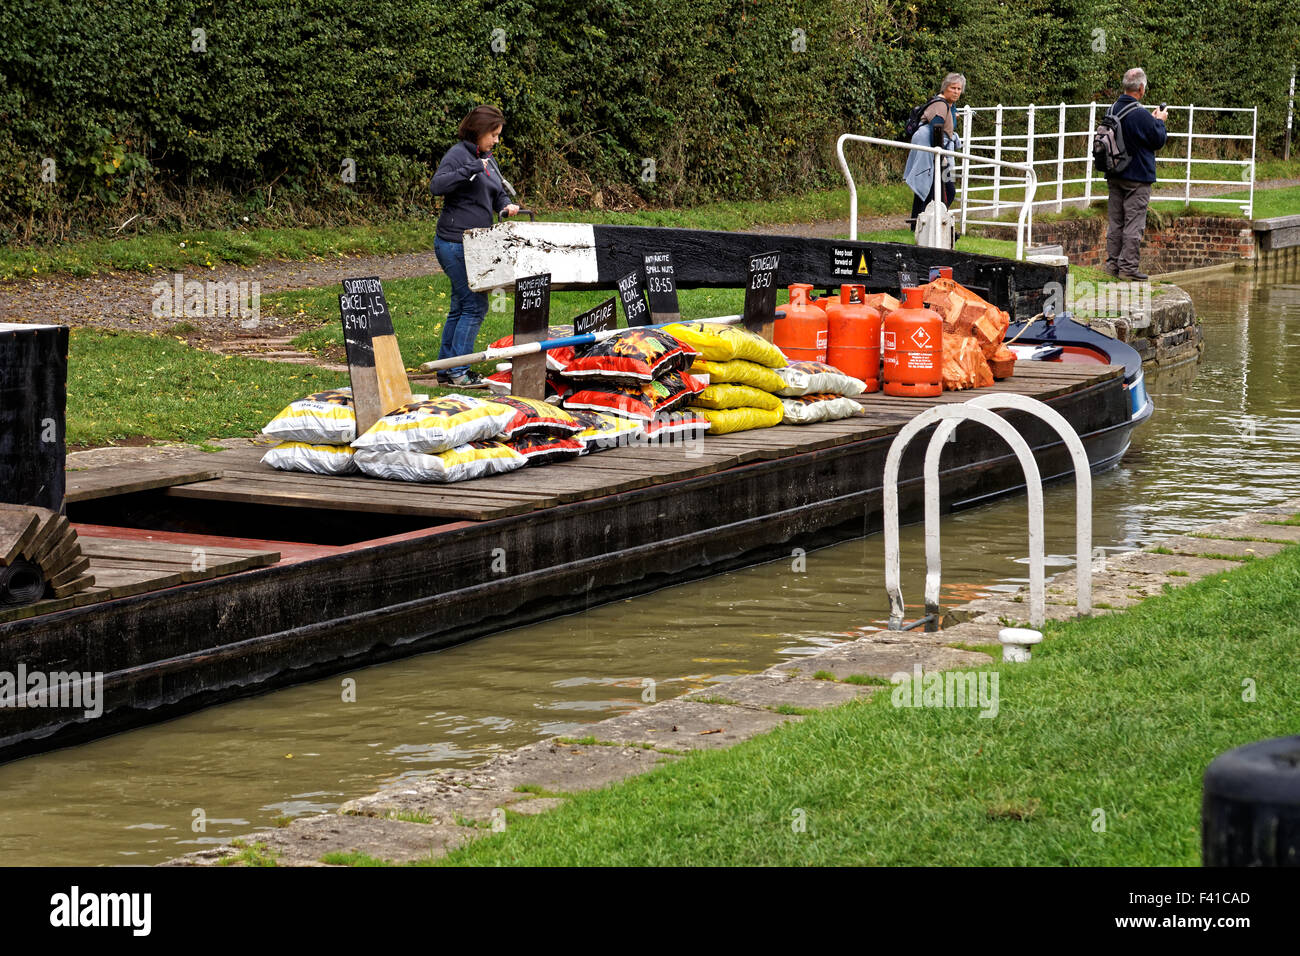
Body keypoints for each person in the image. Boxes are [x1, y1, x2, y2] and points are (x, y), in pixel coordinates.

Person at [430, 105, 520, 388]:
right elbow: (437, 185)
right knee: (475, 303)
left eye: (498, 135)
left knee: (460, 304)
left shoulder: (488, 158)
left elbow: (497, 193)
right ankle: (460, 372)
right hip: (453, 242)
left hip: (475, 244)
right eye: (493, 134)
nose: (495, 140)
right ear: (478, 130)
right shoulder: (459, 154)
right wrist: (471, 168)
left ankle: (447, 369)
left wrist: (505, 207)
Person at [1104, 68, 1168, 280]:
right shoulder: (1141, 114)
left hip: (1114, 174)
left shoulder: (1111, 109)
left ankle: (1112, 266)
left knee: (1116, 223)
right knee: (1133, 224)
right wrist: (1159, 121)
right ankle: (1128, 269)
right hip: (1137, 177)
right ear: (1141, 88)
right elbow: (1157, 139)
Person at [906, 73, 965, 229]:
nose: (956, 92)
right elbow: (936, 129)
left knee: (926, 190)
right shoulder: (940, 104)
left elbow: (946, 126)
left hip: (929, 150)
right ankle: (931, 225)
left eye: (959, 89)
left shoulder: (948, 104)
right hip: (931, 151)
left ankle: (918, 226)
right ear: (945, 87)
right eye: (953, 88)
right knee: (947, 191)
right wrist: (940, 155)